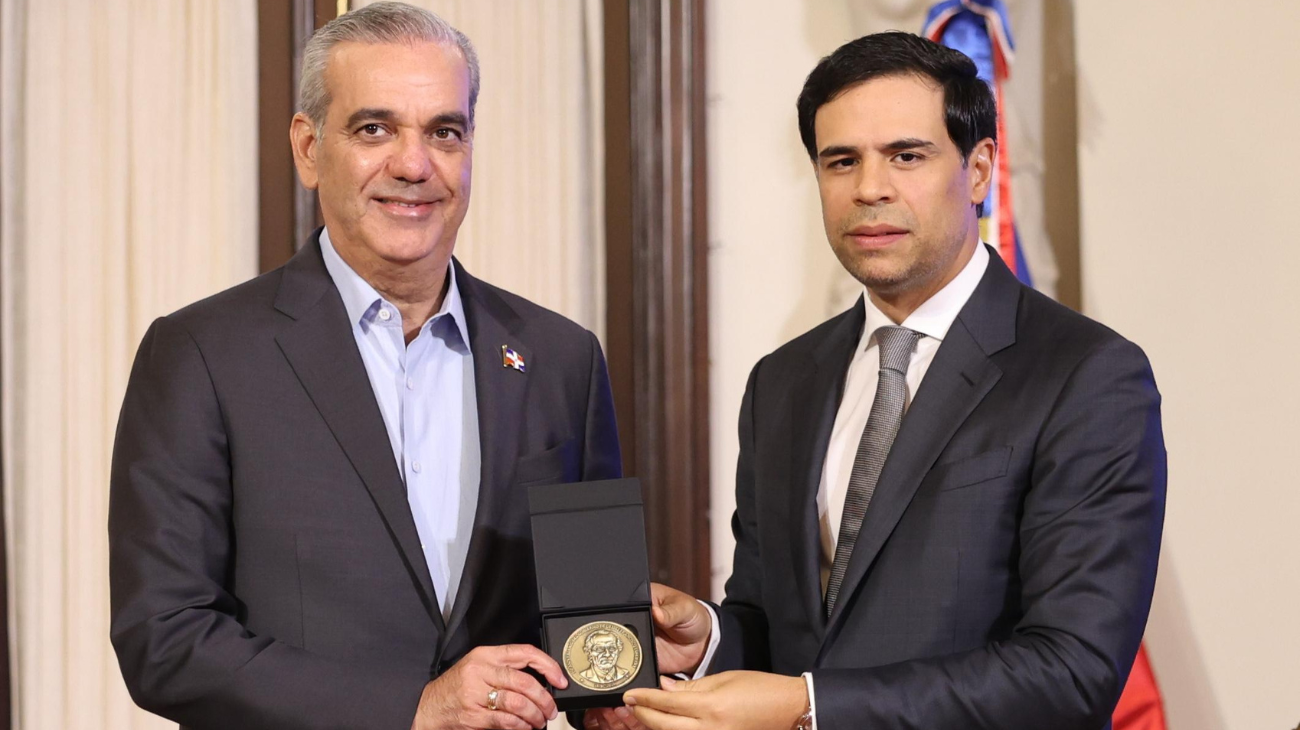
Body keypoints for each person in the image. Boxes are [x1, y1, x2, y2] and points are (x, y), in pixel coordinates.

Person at [598, 31, 1166, 730]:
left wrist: (810, 707)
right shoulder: (783, 381)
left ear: (979, 170)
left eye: (906, 155)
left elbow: (1072, 673)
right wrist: (711, 639)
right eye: (842, 161)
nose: (869, 188)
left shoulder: (1085, 375)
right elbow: (789, 632)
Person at [108, 3, 621, 729]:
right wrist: (414, 708)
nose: (413, 165)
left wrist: (614, 694)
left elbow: (591, 615)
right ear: (309, 148)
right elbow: (164, 641)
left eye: (444, 132)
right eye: (375, 129)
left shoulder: (561, 358)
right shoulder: (202, 355)